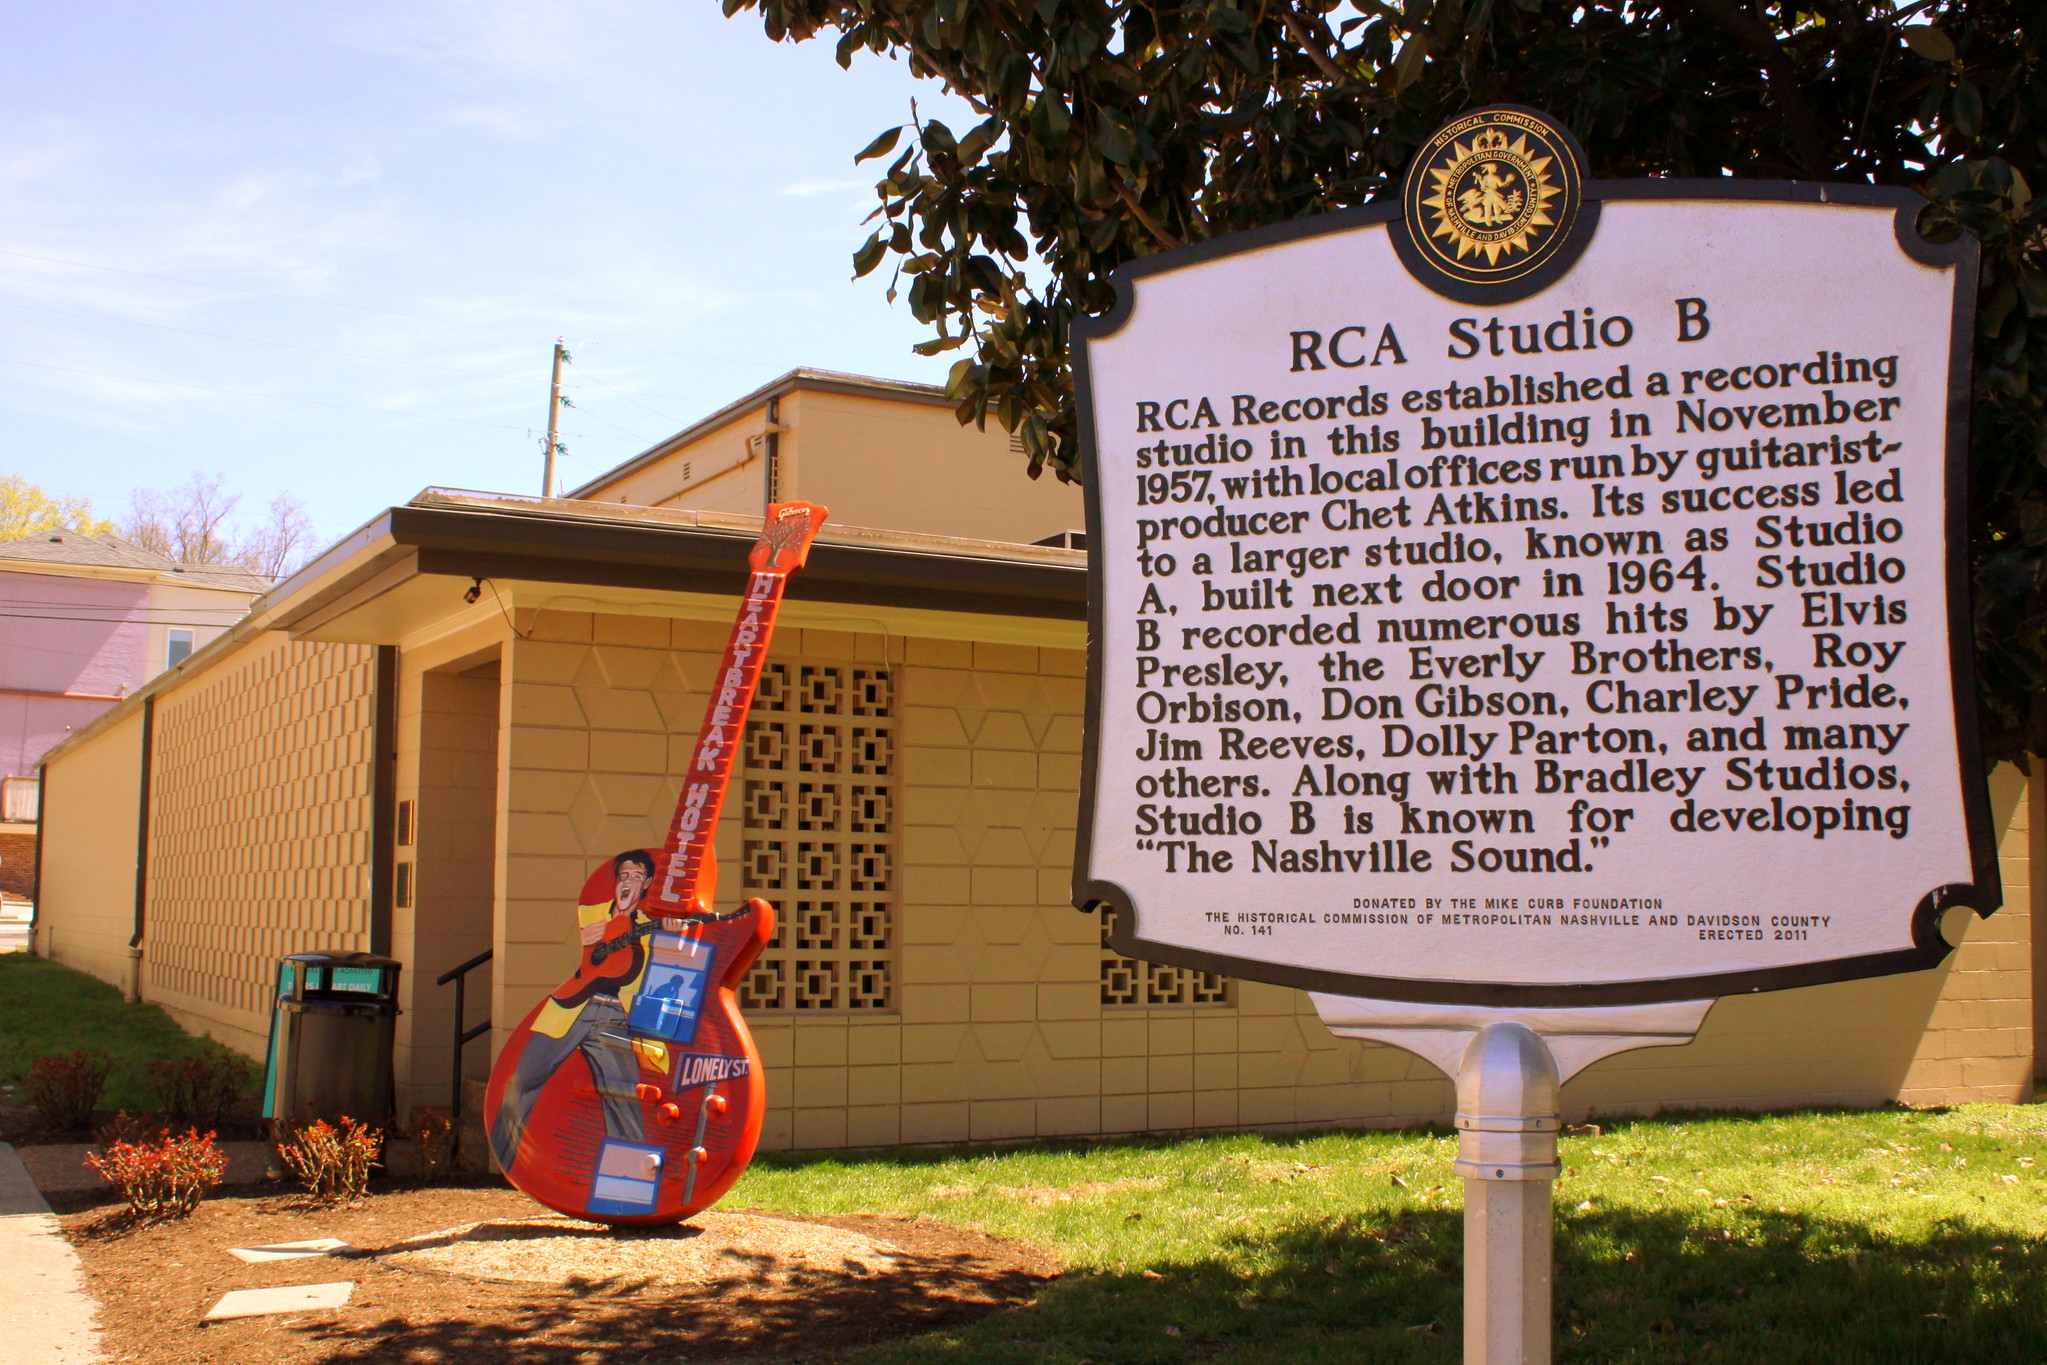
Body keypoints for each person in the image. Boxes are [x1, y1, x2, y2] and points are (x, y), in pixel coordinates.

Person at [488, 849, 682, 1171]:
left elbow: (676, 957)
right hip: (569, 1009)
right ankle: (507, 1165)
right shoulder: (594, 914)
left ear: (647, 883)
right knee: (520, 1082)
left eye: (636, 877)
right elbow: (599, 930)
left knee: (623, 1101)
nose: (628, 883)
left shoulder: (654, 926)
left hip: (617, 1019)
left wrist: (675, 931)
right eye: (623, 876)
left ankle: (628, 1186)